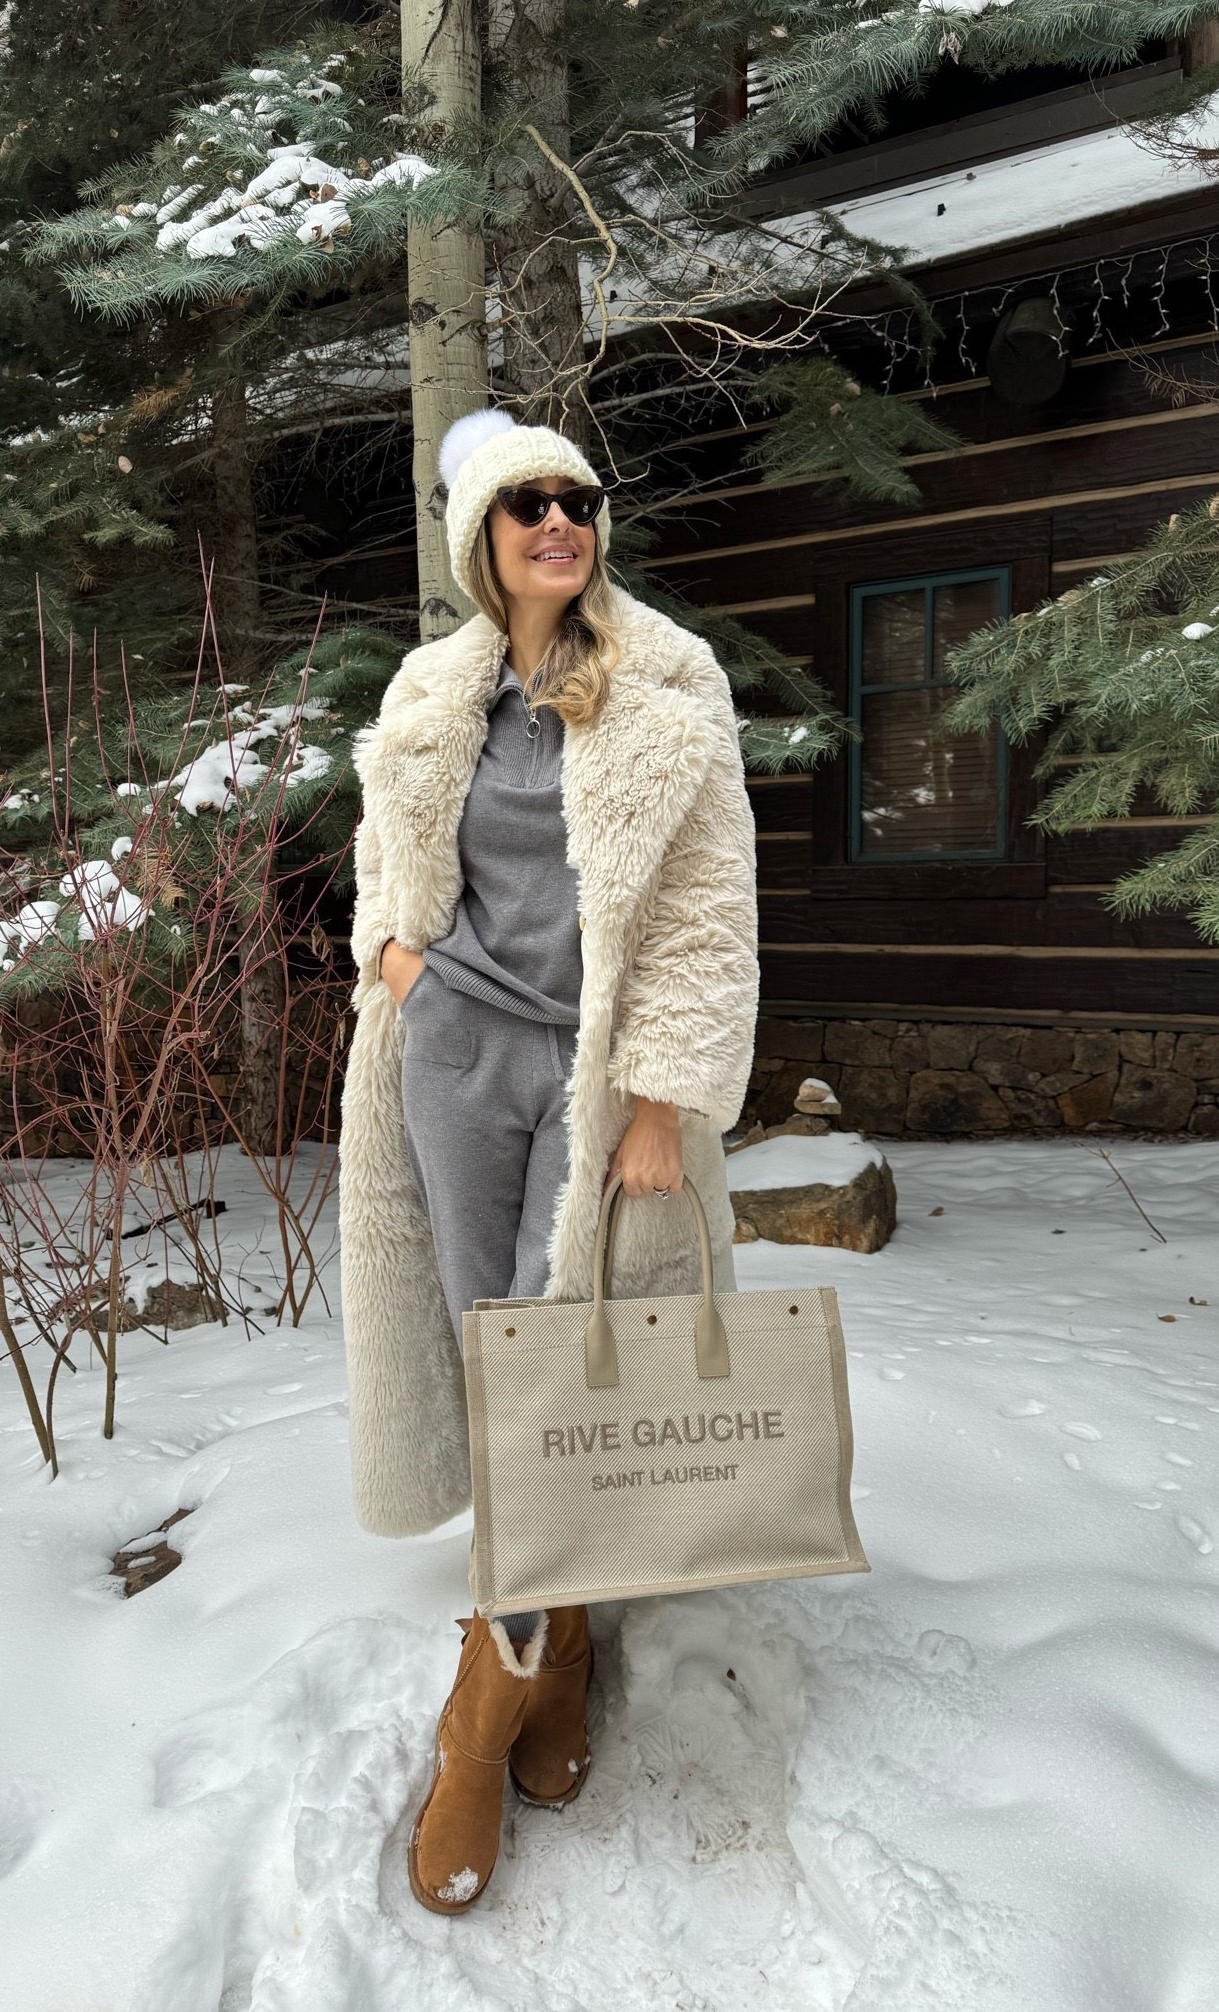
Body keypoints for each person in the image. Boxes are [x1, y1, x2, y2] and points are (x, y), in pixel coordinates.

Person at [337, 408, 758, 1914]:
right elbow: (394, 849)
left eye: (577, 498)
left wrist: (666, 1095)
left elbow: (710, 910)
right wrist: (397, 961)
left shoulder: (665, 677)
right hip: (453, 1056)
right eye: (526, 505)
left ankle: (484, 1705)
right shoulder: (434, 688)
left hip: (593, 1078)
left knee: (552, 1349)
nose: (558, 524)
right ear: (482, 540)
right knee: (485, 1344)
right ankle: (556, 1640)